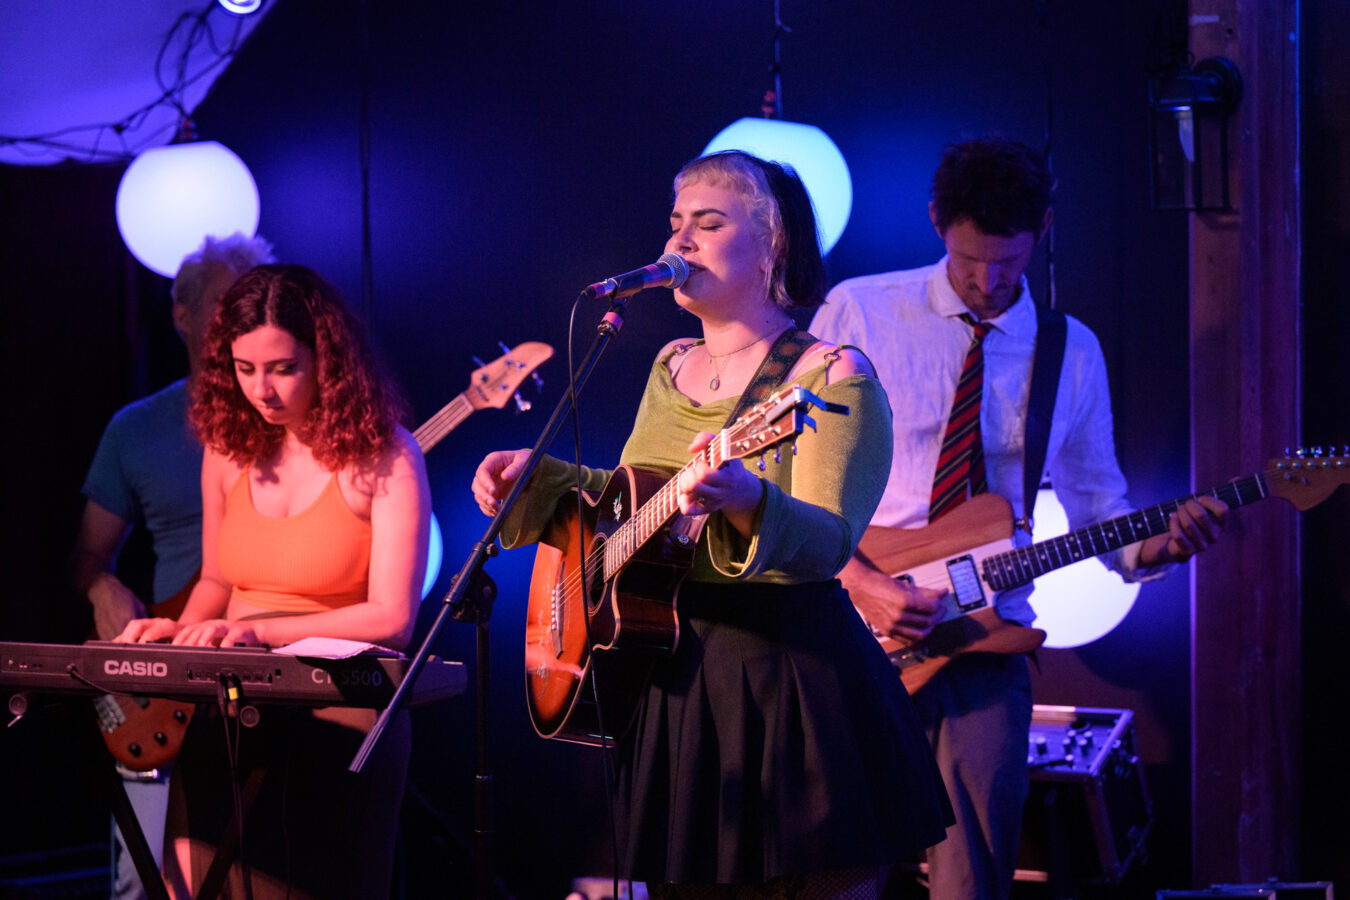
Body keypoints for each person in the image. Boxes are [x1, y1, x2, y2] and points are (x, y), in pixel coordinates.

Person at [472, 150, 952, 897]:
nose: (679, 243)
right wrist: (539, 481)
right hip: (676, 675)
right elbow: (629, 497)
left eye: (708, 222)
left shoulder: (831, 376)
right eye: (675, 224)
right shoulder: (669, 363)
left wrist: (748, 500)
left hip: (787, 681)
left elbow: (829, 544)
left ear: (773, 246)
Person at [809, 136, 1227, 900]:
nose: (987, 280)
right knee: (837, 872)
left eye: (1008, 261)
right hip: (854, 626)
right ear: (937, 221)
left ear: (1044, 228)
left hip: (987, 635)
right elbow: (799, 478)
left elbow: (1102, 506)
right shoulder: (859, 311)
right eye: (970, 259)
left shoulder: (1071, 350)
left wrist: (1161, 545)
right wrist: (863, 582)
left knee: (975, 879)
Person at [118, 264, 431, 899]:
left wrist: (258, 631)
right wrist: (175, 628)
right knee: (197, 883)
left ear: (329, 359)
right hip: (228, 708)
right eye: (244, 368)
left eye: (283, 368)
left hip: (341, 716)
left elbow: (392, 619)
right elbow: (217, 580)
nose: (262, 389)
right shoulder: (226, 450)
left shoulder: (388, 456)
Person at [72, 232, 274, 900]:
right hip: (168, 664)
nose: (237, 323)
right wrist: (103, 586)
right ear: (181, 315)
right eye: (222, 305)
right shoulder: (136, 428)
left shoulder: (290, 420)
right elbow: (86, 555)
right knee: (143, 879)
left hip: (263, 662)